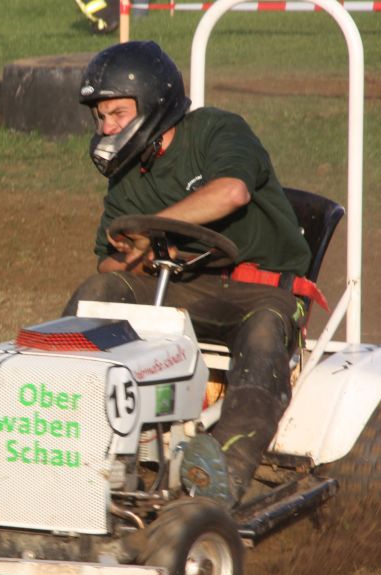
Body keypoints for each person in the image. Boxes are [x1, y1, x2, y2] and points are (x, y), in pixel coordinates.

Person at [63, 40, 324, 508]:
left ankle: (223, 465)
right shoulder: (126, 175)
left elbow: (232, 192)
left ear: (152, 104)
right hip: (185, 286)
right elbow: (109, 258)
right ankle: (72, 438)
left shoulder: (216, 130)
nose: (107, 127)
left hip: (263, 291)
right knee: (99, 291)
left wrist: (153, 228)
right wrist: (134, 256)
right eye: (101, 117)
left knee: (264, 336)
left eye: (117, 114)